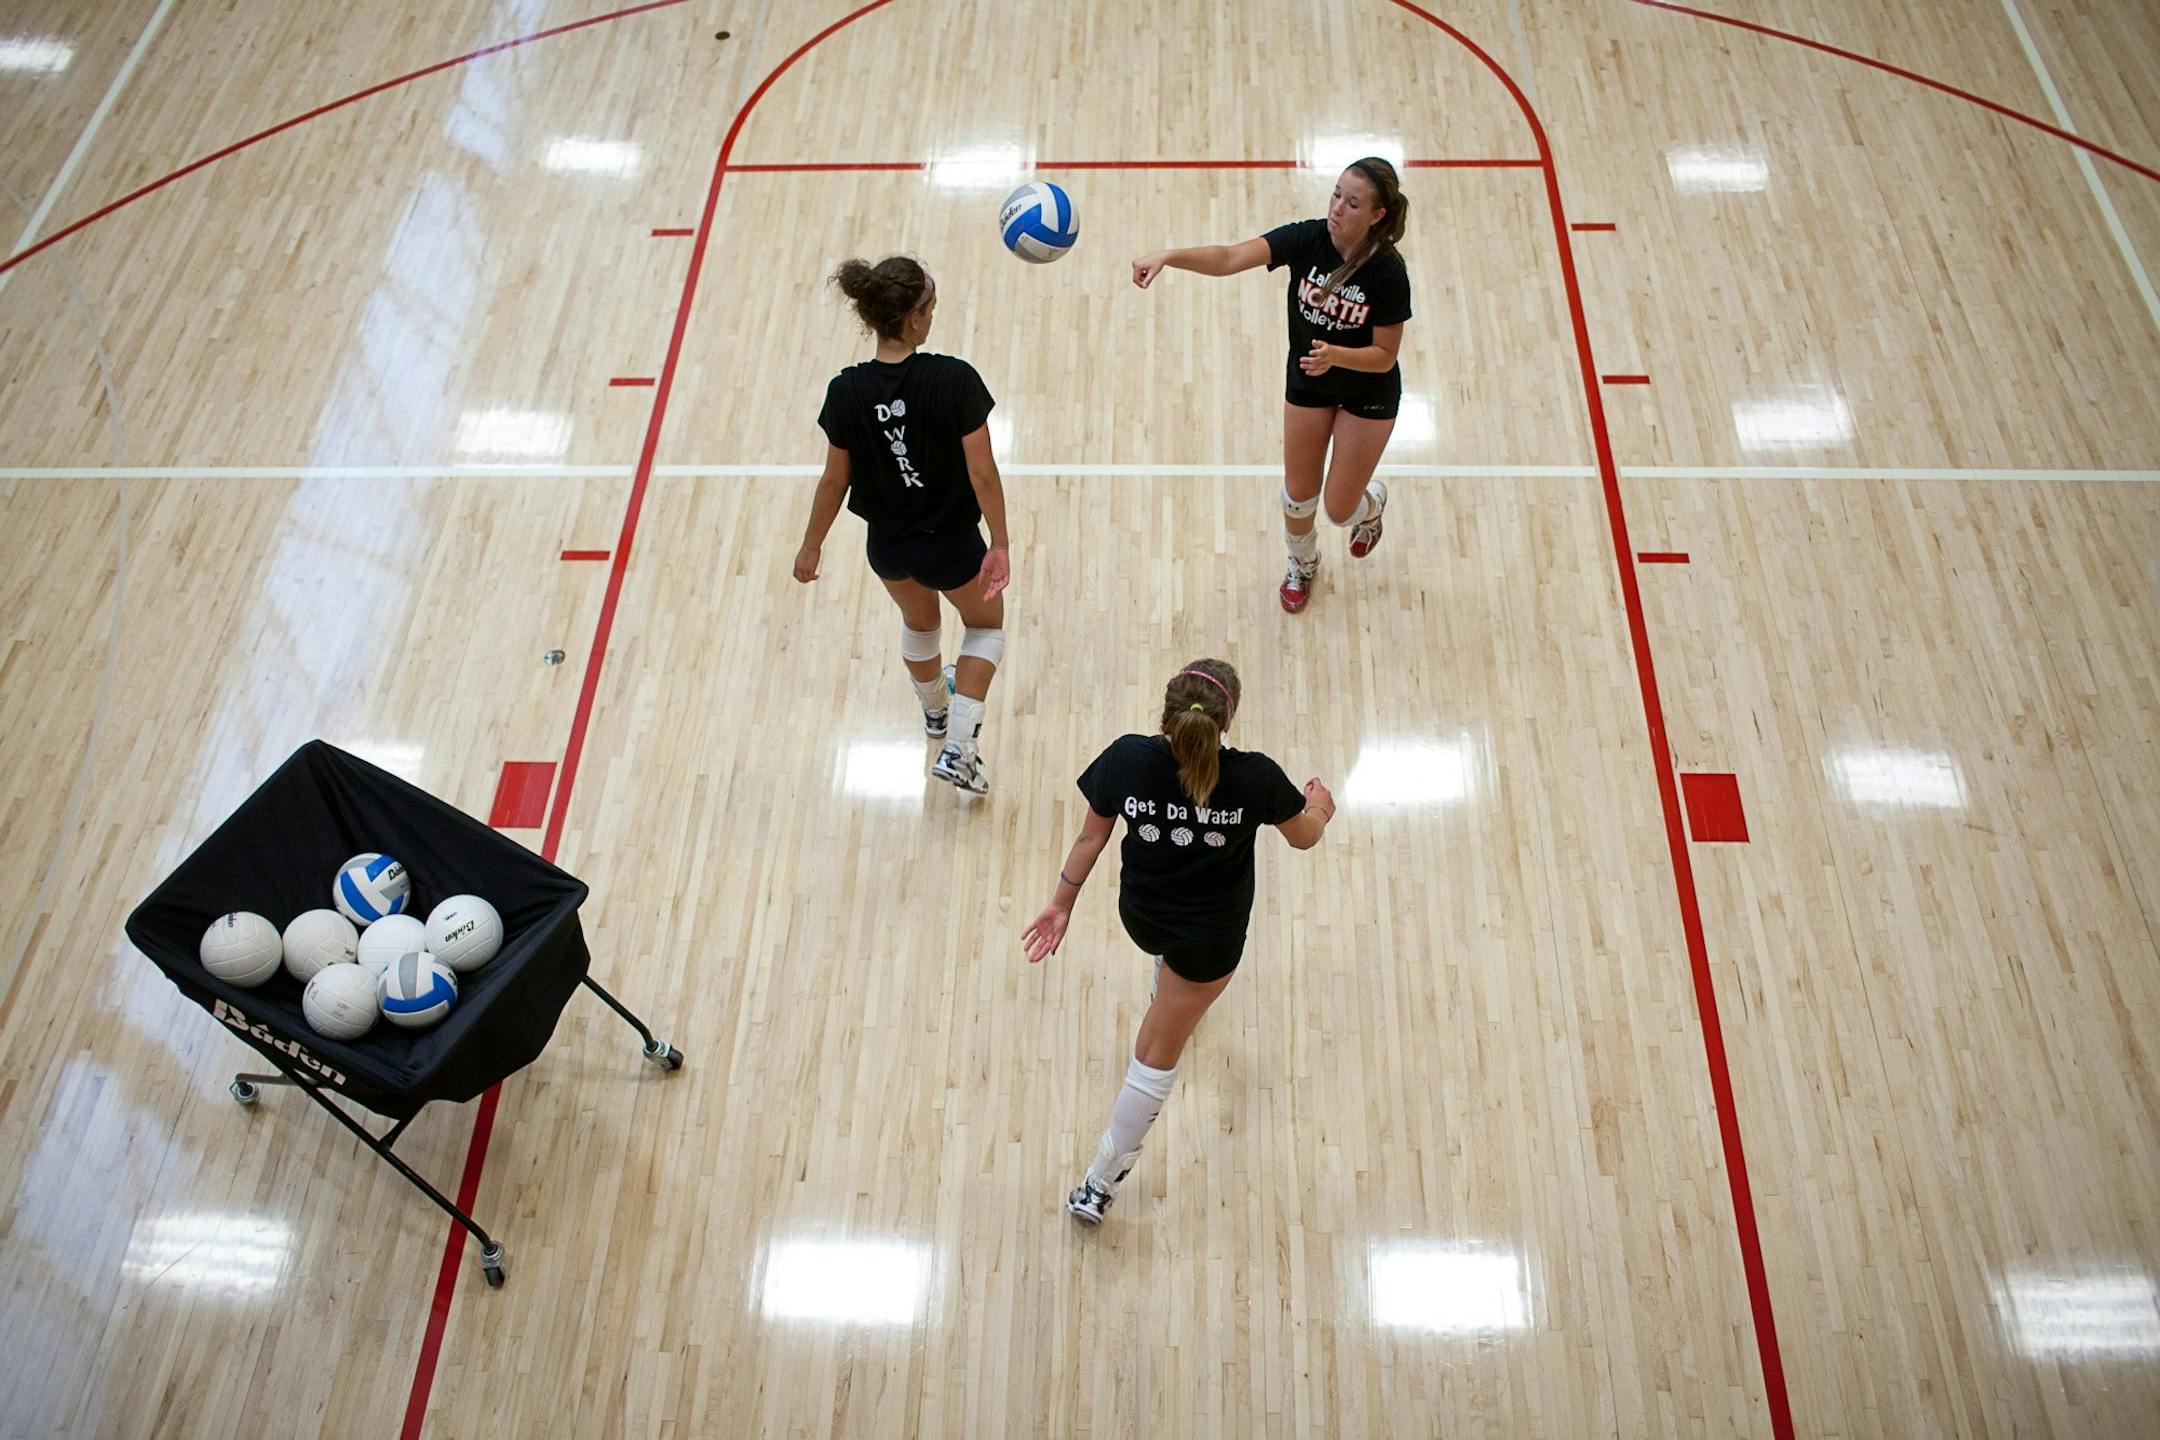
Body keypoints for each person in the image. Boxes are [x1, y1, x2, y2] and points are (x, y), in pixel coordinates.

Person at [1022, 658, 1335, 1222]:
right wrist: (1319, 807)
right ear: (1227, 721)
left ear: (1165, 714)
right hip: (1208, 945)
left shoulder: (1127, 758)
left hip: (1142, 916)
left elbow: (1091, 839)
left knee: (1167, 981)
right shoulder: (1256, 778)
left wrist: (1061, 904)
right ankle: (1100, 1180)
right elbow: (1305, 837)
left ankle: (1166, 984)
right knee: (1154, 1054)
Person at [1131, 158, 1412, 613]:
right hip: (1309, 384)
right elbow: (1230, 258)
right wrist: (1168, 256)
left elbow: (1385, 355)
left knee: (1340, 510)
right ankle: (1303, 563)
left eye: (1352, 202)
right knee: (1298, 498)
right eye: (1336, 194)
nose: (1337, 207)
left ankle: (1373, 505)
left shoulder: (1387, 271)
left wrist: (1337, 356)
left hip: (1368, 392)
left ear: (1377, 215)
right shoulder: (1307, 239)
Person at [793, 256, 1009, 793]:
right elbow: (983, 473)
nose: (932, 315)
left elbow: (833, 481)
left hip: (888, 548)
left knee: (920, 622)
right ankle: (959, 749)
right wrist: (1000, 543)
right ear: (914, 319)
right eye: (930, 307)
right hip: (951, 546)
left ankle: (935, 711)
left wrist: (811, 546)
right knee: (984, 628)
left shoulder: (846, 390)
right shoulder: (954, 379)